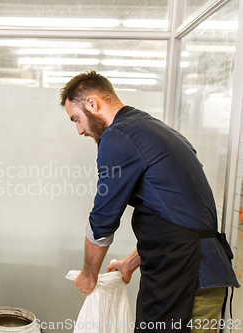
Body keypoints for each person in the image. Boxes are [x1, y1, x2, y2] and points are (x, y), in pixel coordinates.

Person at [60, 70, 239, 332]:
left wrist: (89, 275)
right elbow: (176, 215)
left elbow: (103, 219)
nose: (79, 130)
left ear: (92, 104)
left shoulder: (117, 137)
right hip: (194, 274)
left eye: (76, 119)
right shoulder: (152, 128)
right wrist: (130, 263)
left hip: (188, 282)